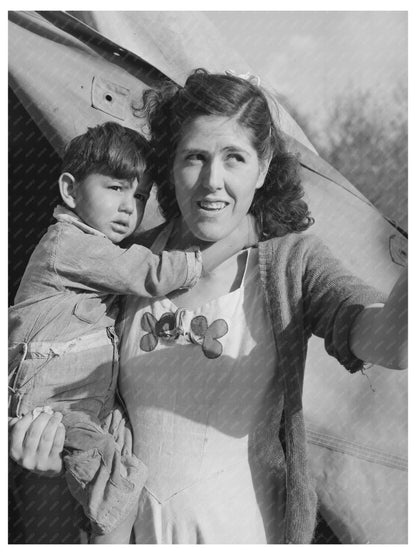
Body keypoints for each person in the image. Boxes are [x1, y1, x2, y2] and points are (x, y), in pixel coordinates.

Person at [10, 70, 407, 544]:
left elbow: (392, 344)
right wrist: (45, 454)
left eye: (234, 158)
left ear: (261, 169)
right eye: (195, 158)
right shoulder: (126, 265)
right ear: (170, 164)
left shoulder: (290, 264)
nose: (212, 181)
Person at [8, 120, 256, 540]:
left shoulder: (96, 248)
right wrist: (242, 235)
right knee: (114, 487)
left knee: (117, 459)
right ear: (69, 190)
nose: (129, 207)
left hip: (84, 400)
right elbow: (152, 273)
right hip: (50, 401)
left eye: (140, 195)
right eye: (115, 188)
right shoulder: (69, 244)